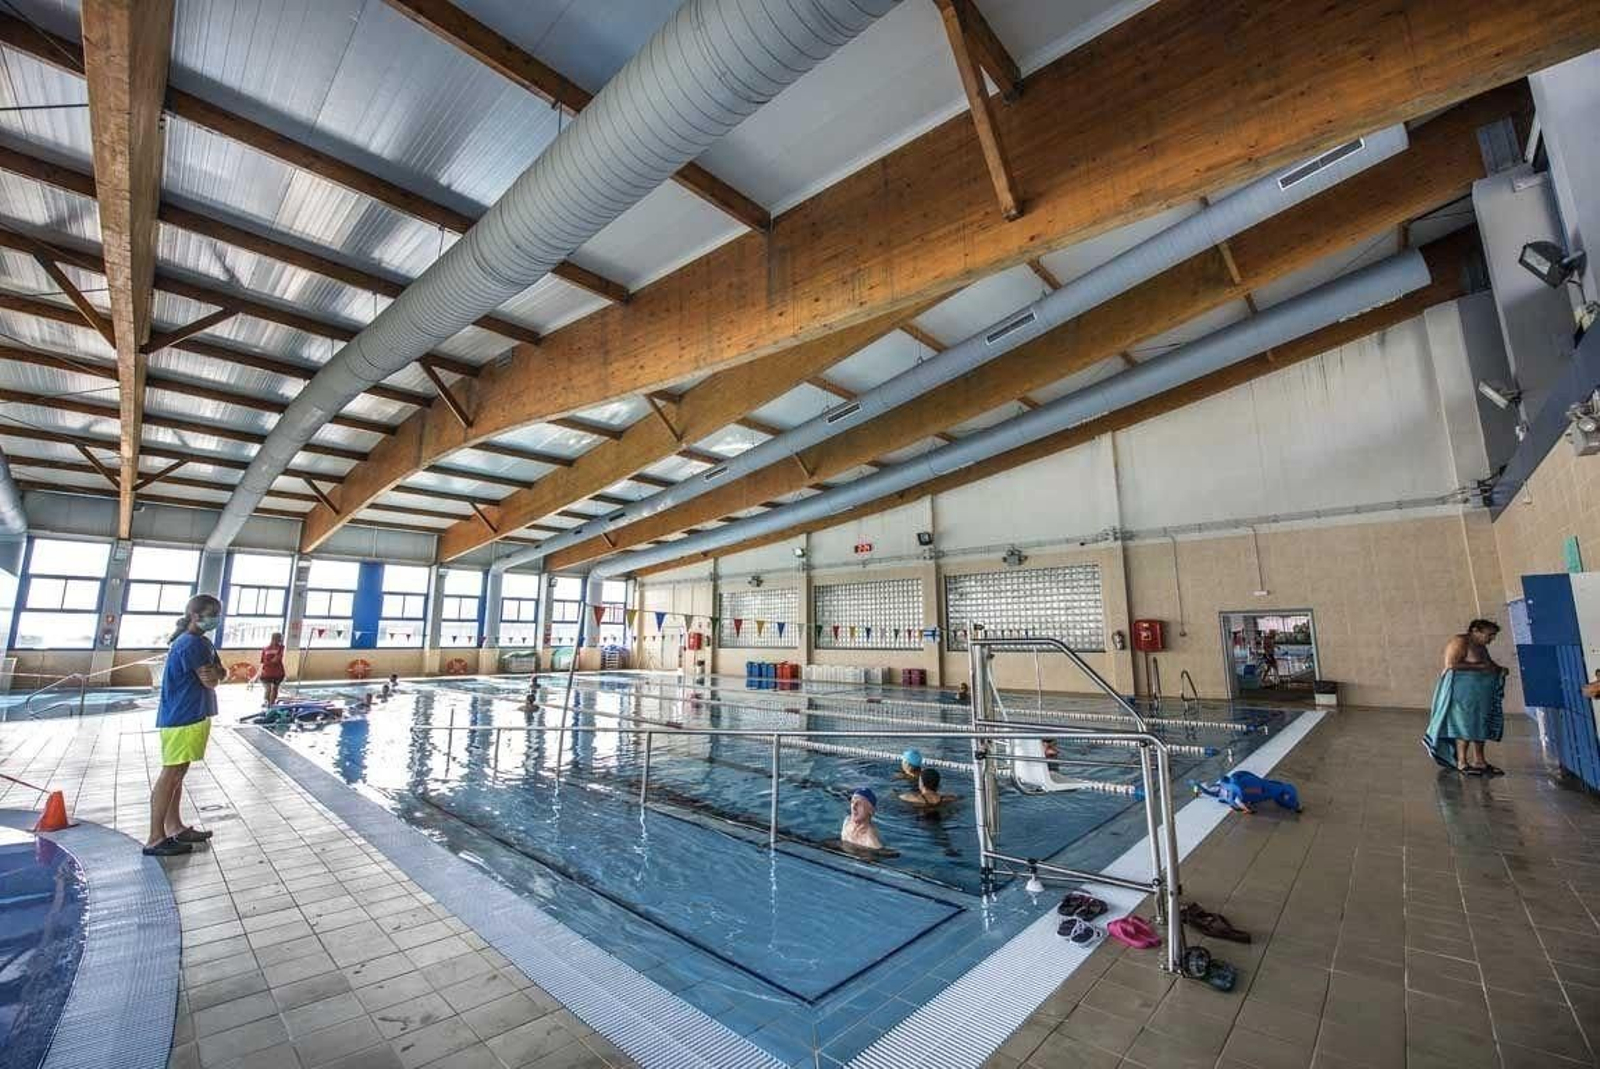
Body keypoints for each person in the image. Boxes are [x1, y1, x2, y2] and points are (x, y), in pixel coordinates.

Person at [145, 594, 224, 857]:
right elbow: (212, 679)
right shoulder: (192, 644)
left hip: (188, 715)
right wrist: (217, 673)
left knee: (178, 774)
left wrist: (218, 672)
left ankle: (174, 827)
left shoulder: (200, 642)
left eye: (217, 614)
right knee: (171, 774)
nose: (216, 619)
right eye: (212, 614)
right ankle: (155, 838)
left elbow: (220, 672)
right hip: (183, 716)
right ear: (194, 616)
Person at [1423, 619, 1508, 776]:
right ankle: (1462, 762)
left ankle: (1480, 761)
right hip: (1460, 694)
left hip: (1478, 695)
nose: (1492, 639)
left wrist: (1499, 669)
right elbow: (1450, 664)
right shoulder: (1460, 641)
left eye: (1493, 636)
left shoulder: (1481, 646)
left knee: (1480, 725)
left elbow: (1488, 663)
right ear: (1475, 631)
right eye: (1489, 635)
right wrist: (1480, 667)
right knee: (1464, 725)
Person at [259, 632, 286, 707]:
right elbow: (273, 660)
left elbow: (265, 661)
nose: (280, 640)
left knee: (271, 689)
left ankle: (270, 704)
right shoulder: (268, 648)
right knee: (271, 689)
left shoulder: (278, 648)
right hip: (272, 673)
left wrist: (266, 664)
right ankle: (269, 704)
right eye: (280, 639)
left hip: (273, 672)